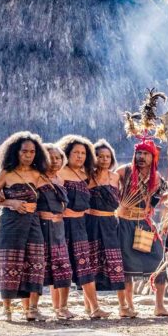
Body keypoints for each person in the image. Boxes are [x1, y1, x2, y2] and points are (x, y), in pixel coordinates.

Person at [0, 132, 47, 321]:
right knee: (9, 262)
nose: (28, 155)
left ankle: (32, 309)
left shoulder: (38, 174)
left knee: (35, 263)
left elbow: (49, 196)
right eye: (24, 151)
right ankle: (6, 310)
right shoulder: (6, 172)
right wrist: (11, 202)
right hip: (10, 223)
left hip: (33, 223)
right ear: (16, 152)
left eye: (32, 152)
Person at [116, 137, 168, 318]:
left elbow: (165, 195)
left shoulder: (156, 178)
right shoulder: (124, 172)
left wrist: (156, 204)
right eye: (138, 153)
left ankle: (159, 306)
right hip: (124, 224)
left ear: (153, 157)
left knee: (159, 261)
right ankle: (127, 306)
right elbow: (107, 185)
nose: (141, 157)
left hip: (145, 224)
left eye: (145, 154)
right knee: (125, 267)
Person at [57, 134, 110, 319]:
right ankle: (61, 308)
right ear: (67, 153)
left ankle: (94, 308)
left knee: (84, 265)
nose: (79, 156)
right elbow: (55, 200)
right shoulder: (61, 172)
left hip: (81, 225)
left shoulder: (86, 174)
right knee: (63, 265)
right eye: (75, 152)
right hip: (63, 225)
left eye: (83, 153)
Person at [86, 140, 126, 314]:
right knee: (91, 264)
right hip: (91, 223)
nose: (104, 159)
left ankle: (123, 306)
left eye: (107, 156)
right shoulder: (87, 176)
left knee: (116, 263)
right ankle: (90, 306)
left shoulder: (116, 177)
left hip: (111, 224)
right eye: (100, 156)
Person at [36, 143, 73, 320]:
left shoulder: (60, 179)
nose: (55, 161)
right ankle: (32, 308)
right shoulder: (36, 178)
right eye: (50, 157)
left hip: (59, 228)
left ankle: (62, 308)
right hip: (40, 227)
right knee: (37, 268)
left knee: (64, 268)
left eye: (58, 157)